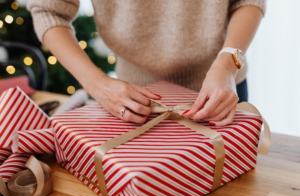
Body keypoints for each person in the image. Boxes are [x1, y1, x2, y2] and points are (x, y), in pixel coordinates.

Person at [27, 0, 265, 126]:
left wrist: (227, 65)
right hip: (136, 101)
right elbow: (48, 11)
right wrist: (95, 84)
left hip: (221, 86)